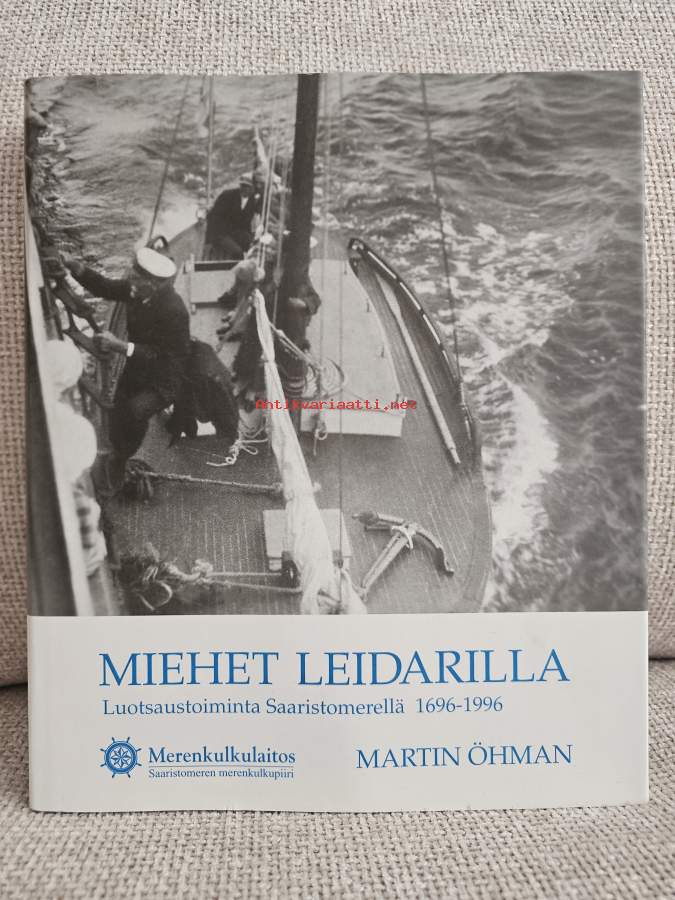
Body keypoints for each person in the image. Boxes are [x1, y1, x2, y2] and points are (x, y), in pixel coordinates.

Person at [62, 246, 191, 492]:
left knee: (134, 412)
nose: (130, 283)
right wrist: (75, 267)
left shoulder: (174, 311)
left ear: (153, 284)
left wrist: (119, 346)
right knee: (117, 409)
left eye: (136, 279)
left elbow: (165, 356)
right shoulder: (136, 290)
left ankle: (121, 458)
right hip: (138, 369)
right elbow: (105, 287)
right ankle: (118, 452)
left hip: (165, 378)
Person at [204, 172, 261, 260]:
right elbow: (212, 218)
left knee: (255, 248)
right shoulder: (227, 196)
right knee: (238, 253)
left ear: (253, 189)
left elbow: (249, 220)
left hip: (238, 233)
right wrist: (208, 241)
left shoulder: (253, 200)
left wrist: (251, 238)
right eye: (242, 185)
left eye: (247, 186)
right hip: (221, 233)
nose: (244, 189)